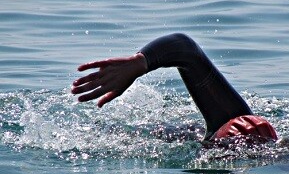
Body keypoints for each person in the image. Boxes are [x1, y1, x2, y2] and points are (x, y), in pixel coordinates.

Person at [71, 33, 277, 142]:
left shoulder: (228, 127)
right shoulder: (231, 115)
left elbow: (185, 47)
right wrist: (139, 63)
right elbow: (184, 46)